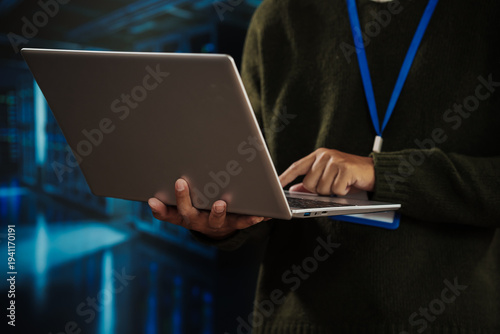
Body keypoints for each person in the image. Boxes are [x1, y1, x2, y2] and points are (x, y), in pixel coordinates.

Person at [147, 0, 500, 332]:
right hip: (297, 320)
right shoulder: (278, 16)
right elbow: (257, 185)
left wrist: (383, 172)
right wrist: (223, 223)